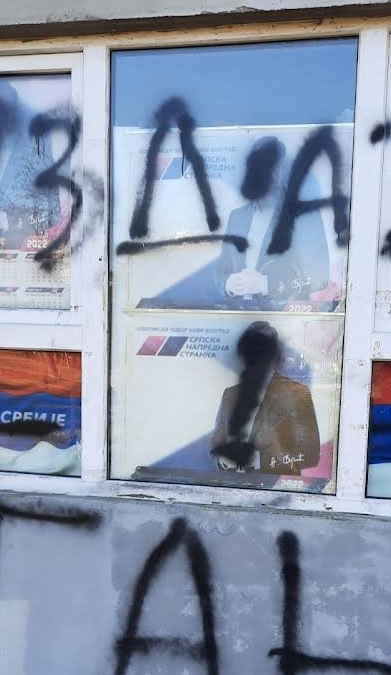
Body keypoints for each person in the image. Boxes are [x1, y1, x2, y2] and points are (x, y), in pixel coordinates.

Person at [137, 137, 333, 310]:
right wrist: (229, 285)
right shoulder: (238, 217)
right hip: (237, 319)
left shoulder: (302, 216)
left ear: (281, 171)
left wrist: (265, 284)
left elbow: (319, 277)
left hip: (282, 323)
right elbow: (221, 273)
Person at [210, 321, 320, 476]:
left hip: (275, 485)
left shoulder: (297, 393)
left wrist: (258, 461)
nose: (256, 356)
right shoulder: (230, 394)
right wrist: (223, 459)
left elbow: (310, 454)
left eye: (262, 350)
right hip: (231, 485)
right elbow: (216, 442)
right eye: (252, 350)